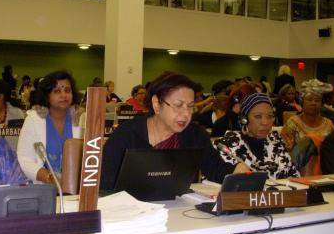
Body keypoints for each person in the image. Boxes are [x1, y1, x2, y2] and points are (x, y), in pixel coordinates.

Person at [101, 72, 249, 190]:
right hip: (133, 215)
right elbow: (104, 182)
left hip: (180, 213)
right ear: (157, 104)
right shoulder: (126, 134)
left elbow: (216, 169)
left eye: (190, 106)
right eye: (178, 105)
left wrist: (236, 171)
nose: (186, 113)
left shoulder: (195, 135)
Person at [17, 71, 83, 183]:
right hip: (43, 186)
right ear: (47, 96)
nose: (63, 95)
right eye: (57, 91)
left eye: (67, 90)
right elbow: (24, 160)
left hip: (77, 188)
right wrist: (50, 178)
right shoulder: (34, 119)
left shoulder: (82, 118)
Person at [213, 93, 300, 179]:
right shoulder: (226, 146)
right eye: (258, 116)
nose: (265, 122)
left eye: (270, 116)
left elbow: (295, 177)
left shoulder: (276, 142)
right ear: (244, 120)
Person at [281, 79, 334, 174]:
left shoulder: (329, 124)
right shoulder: (292, 123)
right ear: (302, 102)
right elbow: (284, 152)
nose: (313, 103)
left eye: (317, 100)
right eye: (309, 99)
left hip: (326, 169)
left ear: (322, 104)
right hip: (298, 170)